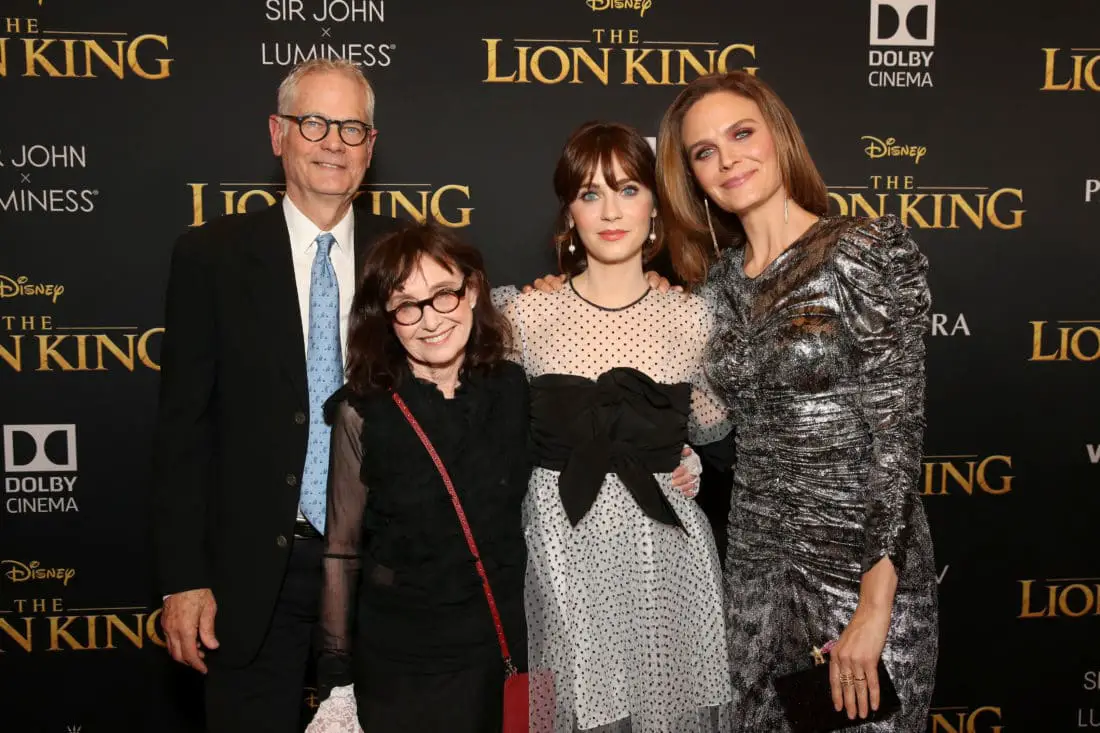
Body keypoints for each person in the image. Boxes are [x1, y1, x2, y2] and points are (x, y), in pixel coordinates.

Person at [656, 71, 938, 729]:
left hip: (859, 566)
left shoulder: (862, 251)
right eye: (704, 151)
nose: (728, 160)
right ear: (692, 175)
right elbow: (708, 424)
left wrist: (873, 608)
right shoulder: (714, 290)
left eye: (742, 133)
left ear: (779, 136)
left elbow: (896, 440)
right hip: (755, 574)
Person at [151, 58, 401, 732]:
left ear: (371, 146)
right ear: (277, 133)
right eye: (314, 122)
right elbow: (182, 431)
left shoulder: (407, 257)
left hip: (385, 568)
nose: (333, 143)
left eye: (352, 128)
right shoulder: (209, 257)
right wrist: (183, 578)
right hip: (252, 573)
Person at [497, 121, 734, 733]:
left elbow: (717, 435)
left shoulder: (693, 318)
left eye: (628, 189)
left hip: (665, 561)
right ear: (568, 211)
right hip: (555, 554)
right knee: (550, 712)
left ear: (655, 204)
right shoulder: (523, 314)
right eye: (590, 193)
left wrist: (688, 457)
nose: (610, 211)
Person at [305, 222, 531, 732]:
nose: (431, 320)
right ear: (387, 320)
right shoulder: (362, 412)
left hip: (509, 647)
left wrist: (676, 457)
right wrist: (336, 677)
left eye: (444, 294)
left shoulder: (513, 389)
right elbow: (342, 552)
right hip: (404, 665)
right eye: (407, 306)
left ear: (472, 291)